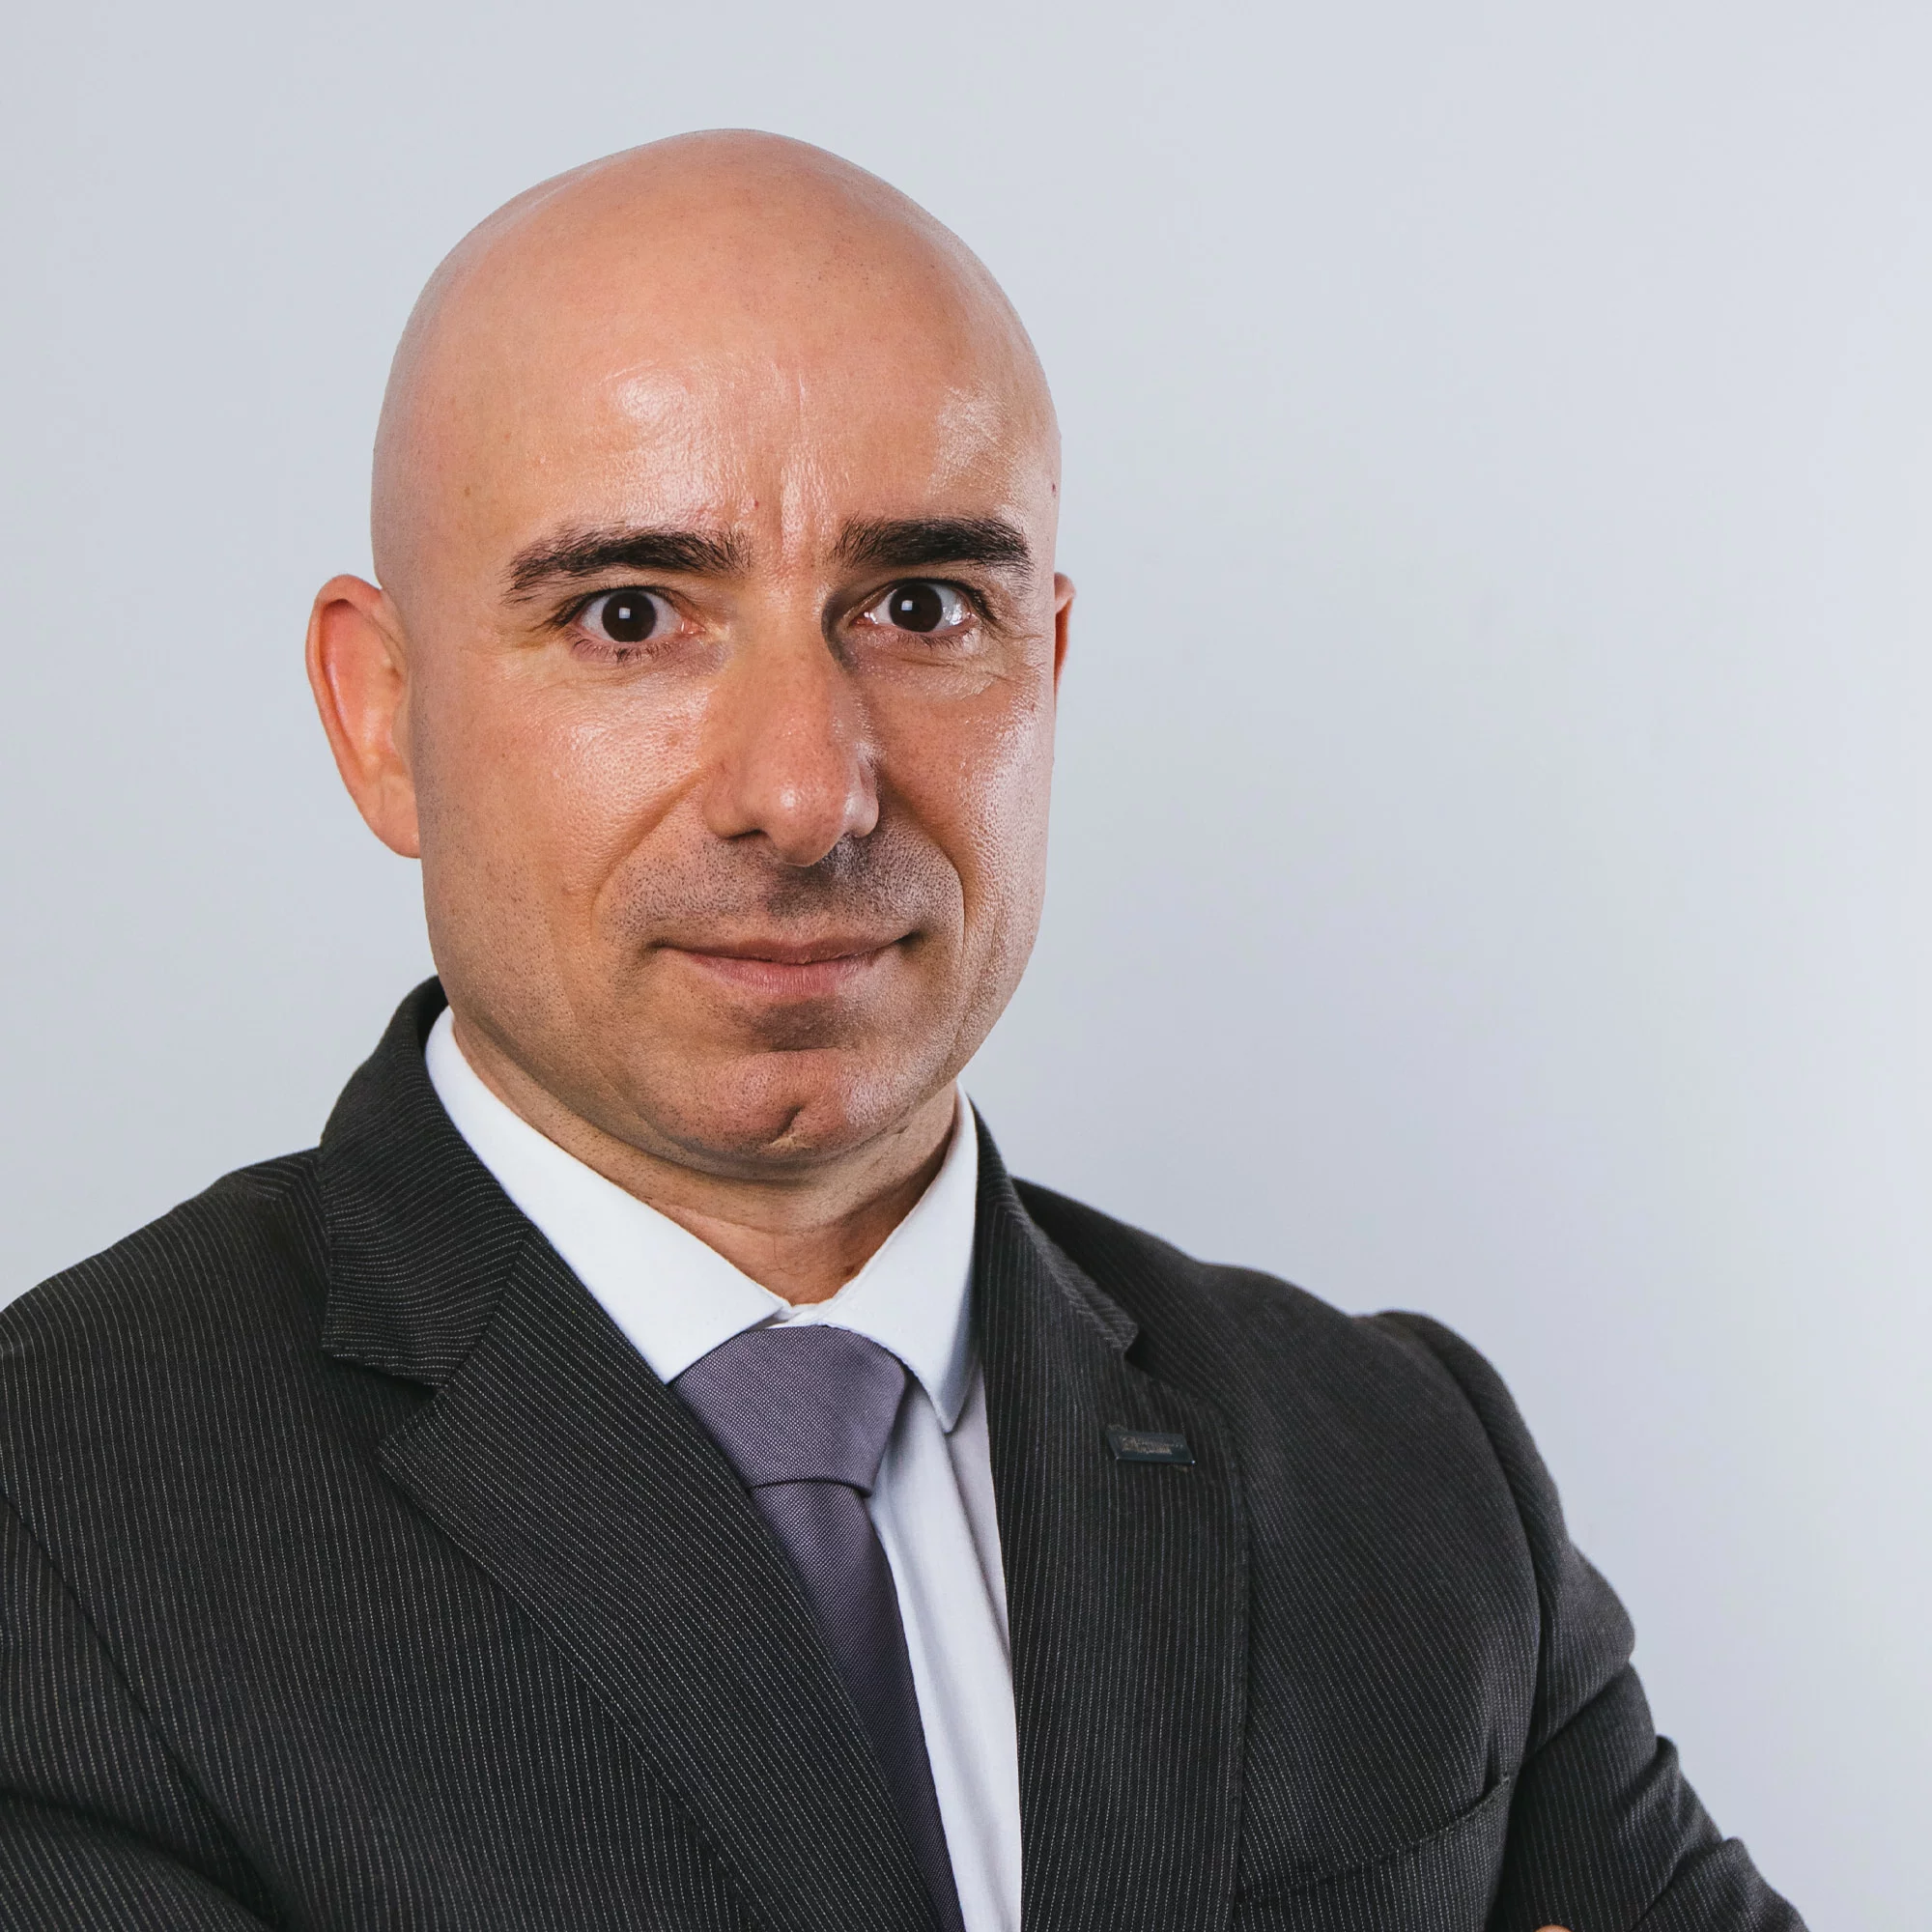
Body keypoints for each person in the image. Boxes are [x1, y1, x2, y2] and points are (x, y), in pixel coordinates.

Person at [0, 131, 1802, 1932]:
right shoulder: (54, 1523)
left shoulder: (1405, 1471)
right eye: (631, 617)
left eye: (923, 608)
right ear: (381, 714)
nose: (807, 793)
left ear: (1047, 668)